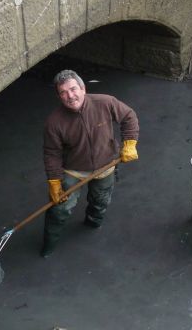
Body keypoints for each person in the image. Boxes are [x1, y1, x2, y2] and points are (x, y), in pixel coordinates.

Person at [41, 69, 139, 258]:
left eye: (73, 89)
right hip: (74, 170)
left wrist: (130, 142)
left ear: (83, 88)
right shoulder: (54, 122)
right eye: (63, 92)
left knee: (101, 201)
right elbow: (51, 153)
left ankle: (93, 222)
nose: (70, 96)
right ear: (59, 96)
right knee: (59, 209)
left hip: (105, 165)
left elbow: (129, 117)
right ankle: (49, 244)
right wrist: (54, 180)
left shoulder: (105, 102)